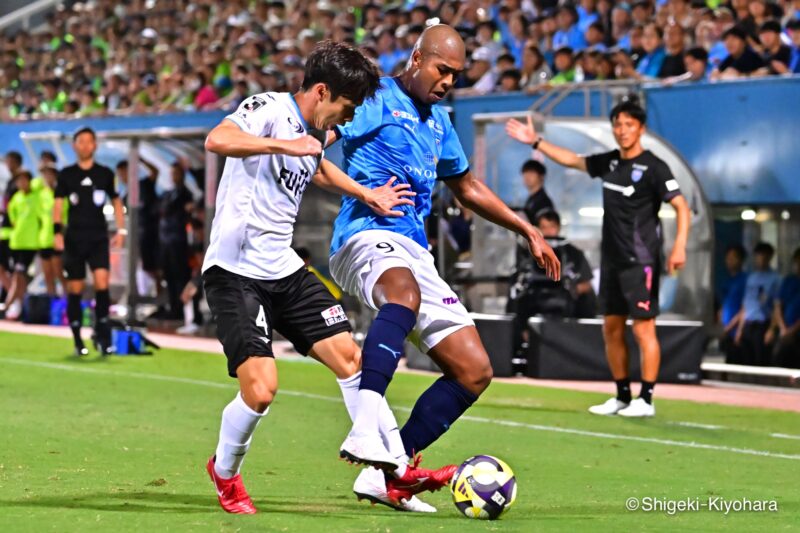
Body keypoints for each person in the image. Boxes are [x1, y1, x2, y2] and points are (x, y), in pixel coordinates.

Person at [201, 41, 450, 516]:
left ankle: (392, 471)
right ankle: (226, 473)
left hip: (284, 270)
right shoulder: (270, 108)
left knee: (352, 359)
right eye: (344, 108)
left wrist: (367, 194)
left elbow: (316, 167)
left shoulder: (314, 132)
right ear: (320, 91)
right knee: (261, 390)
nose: (346, 119)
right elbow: (218, 140)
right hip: (235, 272)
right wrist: (282, 143)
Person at [325, 24, 559, 488]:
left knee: (475, 369)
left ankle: (388, 472)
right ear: (416, 59)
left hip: (414, 249)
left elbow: (467, 188)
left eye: (456, 73)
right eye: (442, 69)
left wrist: (527, 228)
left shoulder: (440, 123)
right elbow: (313, 148)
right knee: (403, 294)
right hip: (363, 235)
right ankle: (365, 426)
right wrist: (362, 191)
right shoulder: (372, 99)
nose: (449, 80)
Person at [506, 98, 690, 417]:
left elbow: (682, 207)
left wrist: (679, 246)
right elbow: (573, 160)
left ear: (641, 129)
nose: (622, 130)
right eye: (618, 124)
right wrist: (536, 141)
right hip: (613, 261)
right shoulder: (610, 163)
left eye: (629, 124)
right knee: (611, 328)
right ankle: (621, 396)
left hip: (641, 261)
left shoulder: (656, 167)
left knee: (644, 329)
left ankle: (645, 399)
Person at [54, 127, 126, 355]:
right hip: (74, 239)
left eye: (89, 141)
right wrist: (57, 232)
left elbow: (116, 201)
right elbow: (57, 205)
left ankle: (103, 335)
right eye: (80, 142)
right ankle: (77, 340)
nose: (85, 145)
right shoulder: (66, 174)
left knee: (102, 283)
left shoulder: (105, 173)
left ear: (95, 145)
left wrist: (121, 230)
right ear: (74, 146)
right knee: (74, 287)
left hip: (97, 238)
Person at [733, 241, 781, 366]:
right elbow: (745, 305)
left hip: (763, 324)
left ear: (770, 257)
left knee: (762, 361)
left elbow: (777, 306)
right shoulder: (751, 278)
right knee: (747, 361)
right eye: (759, 256)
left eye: (765, 256)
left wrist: (771, 329)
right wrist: (740, 329)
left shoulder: (775, 278)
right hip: (749, 323)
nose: (761, 259)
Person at [159, 162, 194, 319]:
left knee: (180, 276)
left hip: (179, 241)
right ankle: (172, 308)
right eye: (172, 173)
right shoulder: (168, 193)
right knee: (168, 276)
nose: (174, 176)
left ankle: (182, 310)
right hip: (165, 241)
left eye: (177, 173)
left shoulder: (186, 194)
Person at [4, 172, 39, 319]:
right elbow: (11, 217)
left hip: (30, 243)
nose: (21, 183)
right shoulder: (16, 198)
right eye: (19, 181)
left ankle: (8, 304)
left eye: (24, 180)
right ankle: (20, 305)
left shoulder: (37, 197)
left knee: (19, 274)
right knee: (19, 275)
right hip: (16, 242)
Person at [767, 247, 800, 368]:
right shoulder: (788, 281)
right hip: (784, 331)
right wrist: (782, 328)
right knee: (778, 359)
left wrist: (792, 331)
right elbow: (778, 306)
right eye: (797, 262)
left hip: (796, 332)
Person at [718, 244, 749, 363]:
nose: (729, 261)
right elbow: (723, 305)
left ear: (741, 260)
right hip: (725, 332)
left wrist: (730, 327)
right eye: (728, 257)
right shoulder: (727, 280)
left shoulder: (746, 280)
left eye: (733, 257)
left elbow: (745, 308)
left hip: (737, 332)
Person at [521, 159, 554, 224]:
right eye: (524, 173)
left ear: (541, 176)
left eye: (531, 173)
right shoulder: (531, 199)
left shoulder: (544, 202)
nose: (527, 176)